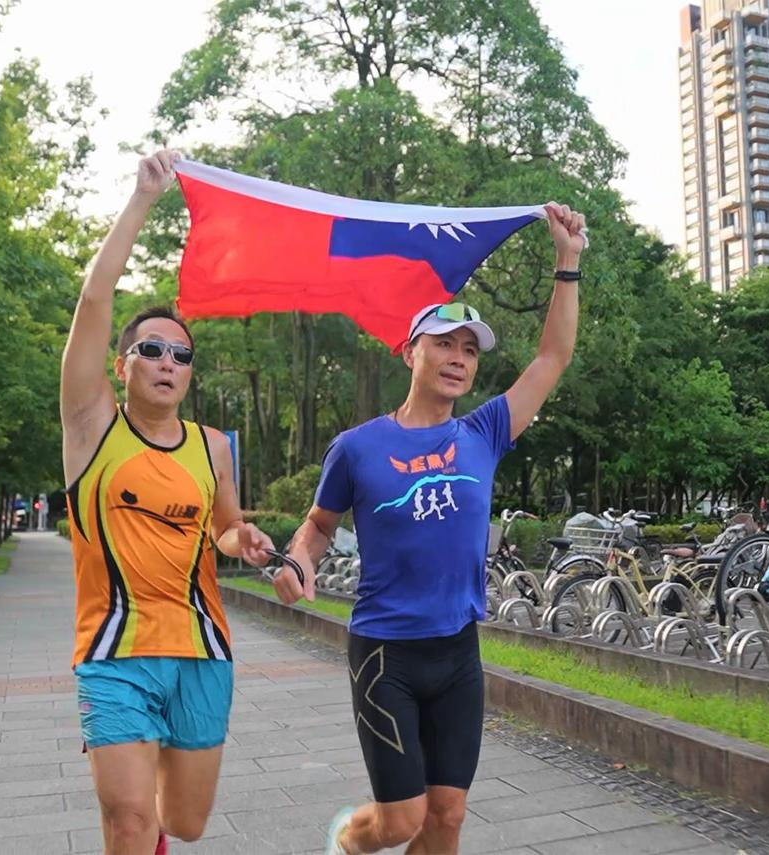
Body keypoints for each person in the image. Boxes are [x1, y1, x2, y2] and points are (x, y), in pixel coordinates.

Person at [275, 203, 588, 855]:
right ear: (409, 349)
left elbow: (553, 357)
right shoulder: (358, 447)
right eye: (444, 341)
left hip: (457, 652)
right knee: (400, 822)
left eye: (469, 349)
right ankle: (346, 839)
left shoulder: (484, 433)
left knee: (446, 816)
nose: (458, 357)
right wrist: (299, 561)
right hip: (386, 652)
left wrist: (568, 260)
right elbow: (319, 524)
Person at [60, 149, 274, 855]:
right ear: (123, 364)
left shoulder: (212, 446)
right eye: (152, 349)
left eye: (182, 356)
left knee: (181, 822)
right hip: (115, 650)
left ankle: (144, 816)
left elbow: (224, 528)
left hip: (201, 650)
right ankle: (128, 808)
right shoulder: (92, 424)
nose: (168, 363)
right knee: (128, 818)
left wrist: (242, 540)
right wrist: (143, 198)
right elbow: (94, 300)